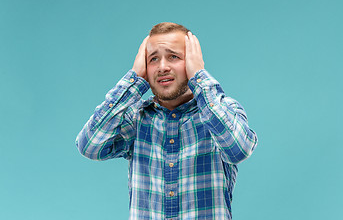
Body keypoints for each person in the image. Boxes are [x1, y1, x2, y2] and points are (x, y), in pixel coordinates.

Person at [76, 22, 258, 219]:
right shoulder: (136, 118)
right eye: (153, 59)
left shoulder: (222, 111)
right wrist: (133, 80)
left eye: (173, 57)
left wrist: (199, 76)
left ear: (191, 61)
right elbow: (89, 146)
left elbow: (239, 149)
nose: (162, 67)